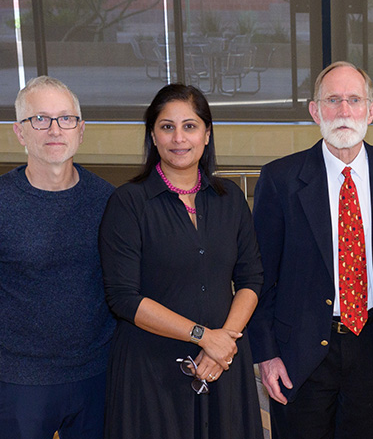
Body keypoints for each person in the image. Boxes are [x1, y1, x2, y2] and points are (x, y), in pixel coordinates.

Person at [246, 61, 373, 438]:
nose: (344, 111)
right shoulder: (279, 180)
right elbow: (259, 279)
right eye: (333, 100)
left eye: (354, 100)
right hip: (300, 355)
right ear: (314, 110)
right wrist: (266, 354)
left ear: (371, 110)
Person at [0, 76, 113, 439]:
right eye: (40, 119)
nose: (54, 129)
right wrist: (2, 342)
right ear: (20, 132)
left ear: (81, 130)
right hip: (22, 380)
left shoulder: (108, 201)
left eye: (66, 118)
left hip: (98, 372)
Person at [99, 84, 264, 439]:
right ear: (153, 136)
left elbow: (251, 278)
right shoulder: (128, 203)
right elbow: (123, 297)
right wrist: (204, 337)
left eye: (189, 126)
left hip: (223, 366)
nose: (179, 138)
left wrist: (223, 344)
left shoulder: (230, 199)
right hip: (150, 372)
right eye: (166, 126)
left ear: (207, 134)